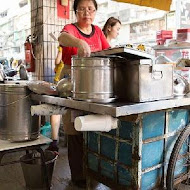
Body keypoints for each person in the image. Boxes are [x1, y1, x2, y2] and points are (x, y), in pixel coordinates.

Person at [58, 0, 110, 188]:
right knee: (75, 129)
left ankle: (96, 172)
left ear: (95, 12)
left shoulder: (98, 31)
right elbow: (62, 38)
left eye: (90, 9)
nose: (86, 12)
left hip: (96, 84)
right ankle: (78, 176)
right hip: (72, 83)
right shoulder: (70, 28)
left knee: (95, 127)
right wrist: (79, 42)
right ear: (75, 12)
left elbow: (108, 51)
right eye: (82, 9)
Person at [47, 46, 64, 152]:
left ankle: (54, 142)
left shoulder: (62, 47)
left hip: (60, 80)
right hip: (71, 80)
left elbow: (57, 61)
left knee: (56, 110)